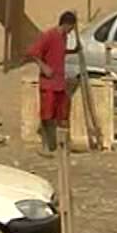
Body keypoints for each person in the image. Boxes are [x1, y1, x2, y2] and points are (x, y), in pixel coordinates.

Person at [24, 11, 78, 156]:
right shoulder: (49, 35)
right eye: (71, 27)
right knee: (47, 116)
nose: (72, 31)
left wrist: (73, 51)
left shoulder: (64, 37)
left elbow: (58, 52)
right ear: (66, 25)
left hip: (60, 83)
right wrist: (44, 67)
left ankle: (60, 146)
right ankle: (46, 147)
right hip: (48, 84)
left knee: (60, 116)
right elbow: (33, 52)